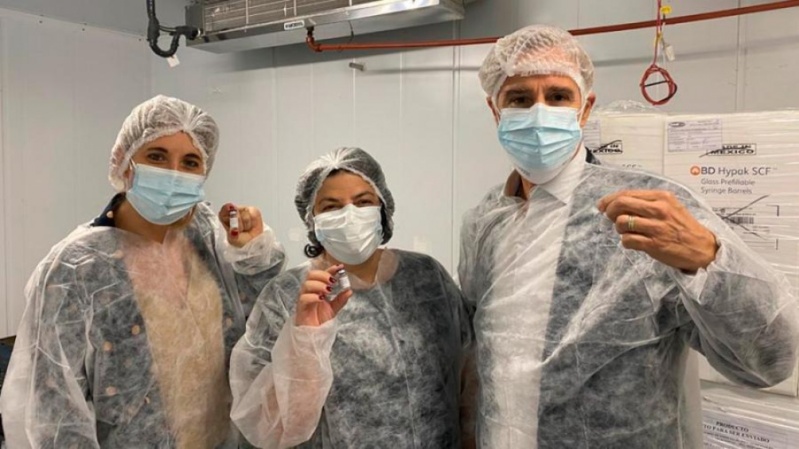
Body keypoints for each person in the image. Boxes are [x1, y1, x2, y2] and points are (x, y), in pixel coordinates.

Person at [458, 25, 799, 448]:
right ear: (495, 110)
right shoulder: (485, 223)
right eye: (519, 99)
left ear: (584, 109)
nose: (539, 113)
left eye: (559, 96)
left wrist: (709, 260)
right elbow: (480, 353)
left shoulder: (652, 208)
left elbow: (769, 361)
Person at [0, 95, 286, 448]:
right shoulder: (76, 267)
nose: (173, 173)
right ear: (124, 162)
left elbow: (261, 329)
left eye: (190, 162)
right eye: (157, 156)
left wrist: (253, 255)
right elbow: (54, 410)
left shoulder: (207, 236)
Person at [230, 147, 472, 448]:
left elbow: (470, 378)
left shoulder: (427, 278)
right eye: (331, 207)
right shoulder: (287, 297)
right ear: (312, 220)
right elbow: (268, 425)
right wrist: (305, 339)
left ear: (383, 209)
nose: (349, 215)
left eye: (363, 202)